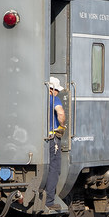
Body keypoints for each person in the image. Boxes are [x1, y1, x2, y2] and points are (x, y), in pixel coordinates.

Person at [45, 76, 67, 210]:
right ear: (52, 89)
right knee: (54, 169)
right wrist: (62, 125)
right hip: (52, 139)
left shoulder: (38, 98)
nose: (58, 92)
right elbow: (60, 113)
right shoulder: (54, 99)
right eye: (57, 90)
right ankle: (49, 201)